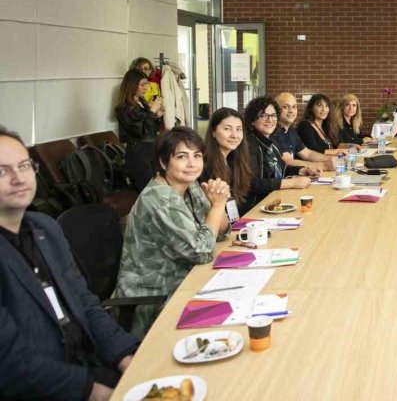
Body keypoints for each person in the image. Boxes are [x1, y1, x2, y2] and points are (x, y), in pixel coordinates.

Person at [0, 126, 139, 401]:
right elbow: (11, 363)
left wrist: (127, 356)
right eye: (2, 171)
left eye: (24, 166)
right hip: (46, 388)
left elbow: (85, 302)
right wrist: (94, 392)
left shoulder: (45, 228)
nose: (19, 178)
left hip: (90, 365)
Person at [114, 127, 231, 339]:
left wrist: (218, 199)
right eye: (181, 157)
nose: (192, 164)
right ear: (163, 162)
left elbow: (219, 232)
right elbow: (202, 251)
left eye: (197, 156)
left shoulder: (190, 185)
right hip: (155, 299)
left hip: (187, 281)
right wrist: (217, 206)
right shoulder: (159, 199)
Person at [244, 96, 312, 210]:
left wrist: (302, 170)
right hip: (255, 208)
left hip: (275, 201)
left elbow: (281, 169)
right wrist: (290, 183)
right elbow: (252, 184)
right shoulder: (249, 145)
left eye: (273, 115)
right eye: (263, 115)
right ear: (252, 120)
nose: (270, 120)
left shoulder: (272, 141)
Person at [115, 68, 164, 192]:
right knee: (148, 192)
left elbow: (151, 129)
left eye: (147, 84)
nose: (146, 88)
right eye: (142, 85)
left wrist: (156, 116)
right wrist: (152, 112)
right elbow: (141, 131)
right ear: (132, 85)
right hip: (138, 154)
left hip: (150, 151)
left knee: (156, 188)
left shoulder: (142, 102)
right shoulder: (124, 108)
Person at [202, 108, 254, 217]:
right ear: (213, 132)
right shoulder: (205, 166)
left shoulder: (234, 161)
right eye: (227, 129)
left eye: (239, 129)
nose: (234, 135)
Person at [271, 92, 335, 171]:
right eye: (285, 107)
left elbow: (307, 154)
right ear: (275, 110)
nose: (291, 111)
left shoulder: (291, 130)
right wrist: (322, 165)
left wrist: (335, 159)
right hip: (283, 181)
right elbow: (287, 161)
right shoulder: (273, 130)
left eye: (294, 107)